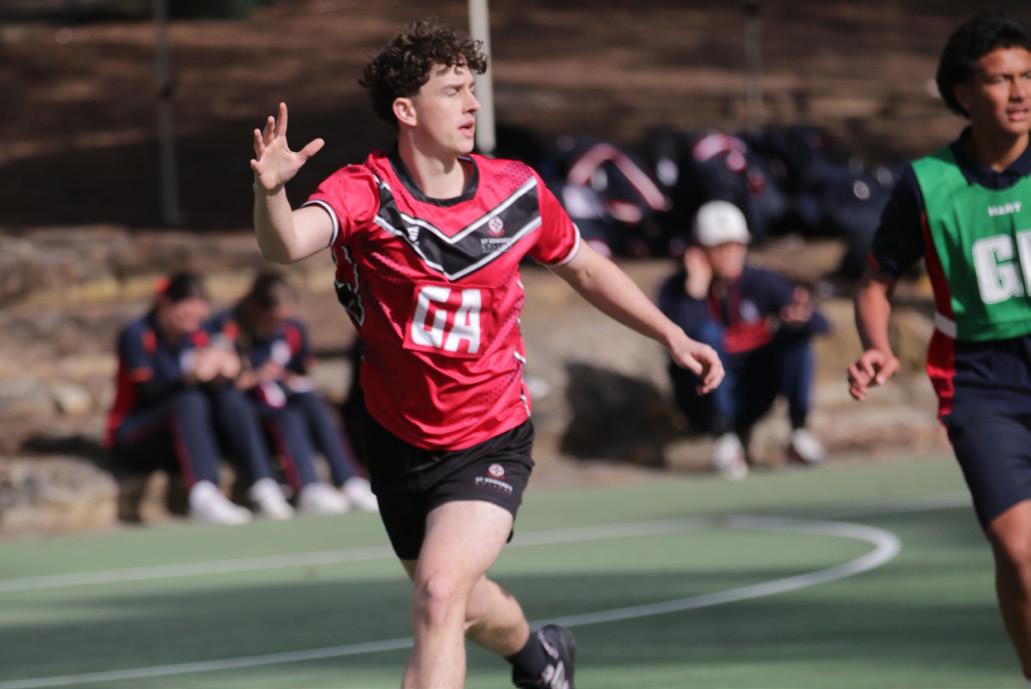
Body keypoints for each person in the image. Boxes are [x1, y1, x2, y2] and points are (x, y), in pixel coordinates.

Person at [249, 19, 722, 689]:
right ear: (406, 110)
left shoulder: (517, 190)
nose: (472, 104)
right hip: (397, 438)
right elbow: (287, 243)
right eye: (452, 91)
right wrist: (271, 190)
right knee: (459, 601)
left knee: (438, 594)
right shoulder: (367, 192)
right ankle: (539, 659)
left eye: (472, 89)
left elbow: (586, 267)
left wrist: (671, 334)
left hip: (489, 434)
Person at [847, 13, 1031, 686]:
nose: (1019, 92)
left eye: (1027, 76)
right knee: (1018, 552)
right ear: (963, 93)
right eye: (1001, 79)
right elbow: (876, 283)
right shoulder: (926, 184)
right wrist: (877, 346)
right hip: (982, 381)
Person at [658, 200, 830, 480]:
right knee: (706, 335)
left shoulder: (761, 282)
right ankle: (724, 437)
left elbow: (822, 324)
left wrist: (801, 319)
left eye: (737, 246)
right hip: (701, 399)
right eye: (721, 247)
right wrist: (695, 293)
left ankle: (799, 433)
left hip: (754, 393)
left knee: (794, 337)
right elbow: (678, 338)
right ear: (699, 250)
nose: (731, 254)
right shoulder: (677, 290)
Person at [106, 271, 295, 524]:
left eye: (198, 314)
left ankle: (263, 483)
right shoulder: (137, 334)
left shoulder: (199, 334)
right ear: (166, 304)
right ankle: (204, 494)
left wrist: (229, 369)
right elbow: (148, 392)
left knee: (229, 396)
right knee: (190, 400)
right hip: (137, 434)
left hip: (183, 434)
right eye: (186, 313)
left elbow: (223, 372)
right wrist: (189, 376)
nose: (193, 321)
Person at [209, 271, 378, 514]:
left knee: (309, 402)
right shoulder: (227, 326)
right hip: (242, 408)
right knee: (248, 406)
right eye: (274, 319)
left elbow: (302, 371)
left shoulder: (293, 329)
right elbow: (220, 378)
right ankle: (267, 486)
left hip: (280, 403)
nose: (280, 326)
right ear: (257, 309)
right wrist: (254, 377)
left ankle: (346, 480)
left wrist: (289, 378)